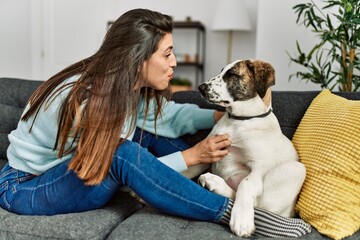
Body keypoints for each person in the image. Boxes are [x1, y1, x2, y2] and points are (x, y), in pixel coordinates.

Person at [0, 8, 310, 237]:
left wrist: (218, 116)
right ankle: (234, 211)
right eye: (167, 54)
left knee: (146, 136)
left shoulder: (124, 88)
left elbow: (170, 117)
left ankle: (190, 186)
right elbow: (106, 161)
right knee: (125, 153)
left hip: (70, 167)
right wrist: (193, 156)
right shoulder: (85, 99)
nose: (175, 61)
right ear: (139, 59)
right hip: (25, 187)